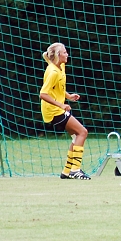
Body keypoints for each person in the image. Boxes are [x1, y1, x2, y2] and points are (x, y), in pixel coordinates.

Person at [39, 42, 91, 180]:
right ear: (58, 55)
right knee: (82, 132)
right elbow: (43, 94)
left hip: (56, 109)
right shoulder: (53, 72)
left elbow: (58, 88)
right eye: (64, 52)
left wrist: (68, 96)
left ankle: (67, 172)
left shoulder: (60, 66)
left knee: (76, 137)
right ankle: (75, 170)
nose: (67, 54)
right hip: (53, 111)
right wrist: (61, 105)